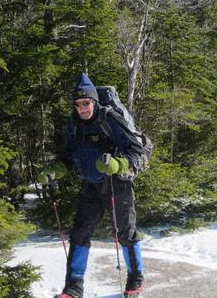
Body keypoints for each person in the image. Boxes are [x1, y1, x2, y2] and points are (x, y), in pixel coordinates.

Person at [39, 73, 145, 298]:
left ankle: (135, 281)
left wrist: (118, 164)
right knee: (79, 234)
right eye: (77, 104)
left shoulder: (109, 119)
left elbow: (138, 152)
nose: (82, 108)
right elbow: (68, 156)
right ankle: (73, 288)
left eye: (86, 103)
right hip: (91, 184)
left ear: (94, 102)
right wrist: (57, 169)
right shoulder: (73, 125)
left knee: (126, 232)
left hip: (117, 184)